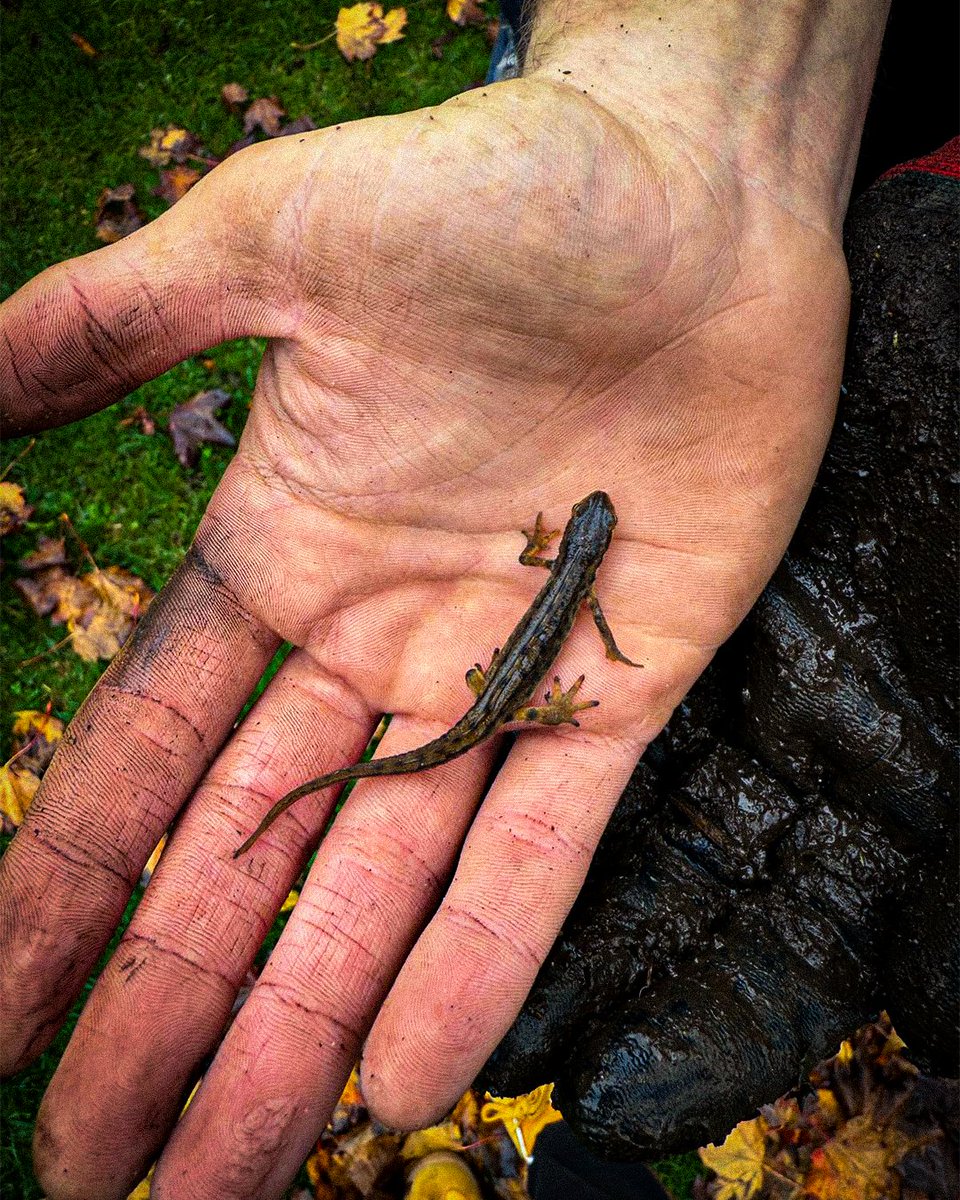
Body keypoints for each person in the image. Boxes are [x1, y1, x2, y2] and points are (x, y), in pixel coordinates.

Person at [0, 2, 930, 1198]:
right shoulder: (579, 578)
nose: (581, 536)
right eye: (583, 532)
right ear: (592, 541)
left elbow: (565, 588)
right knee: (506, 709)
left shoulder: (572, 569)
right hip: (505, 685)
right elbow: (571, 605)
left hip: (853, 156)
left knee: (507, 709)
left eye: (579, 534)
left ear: (581, 543)